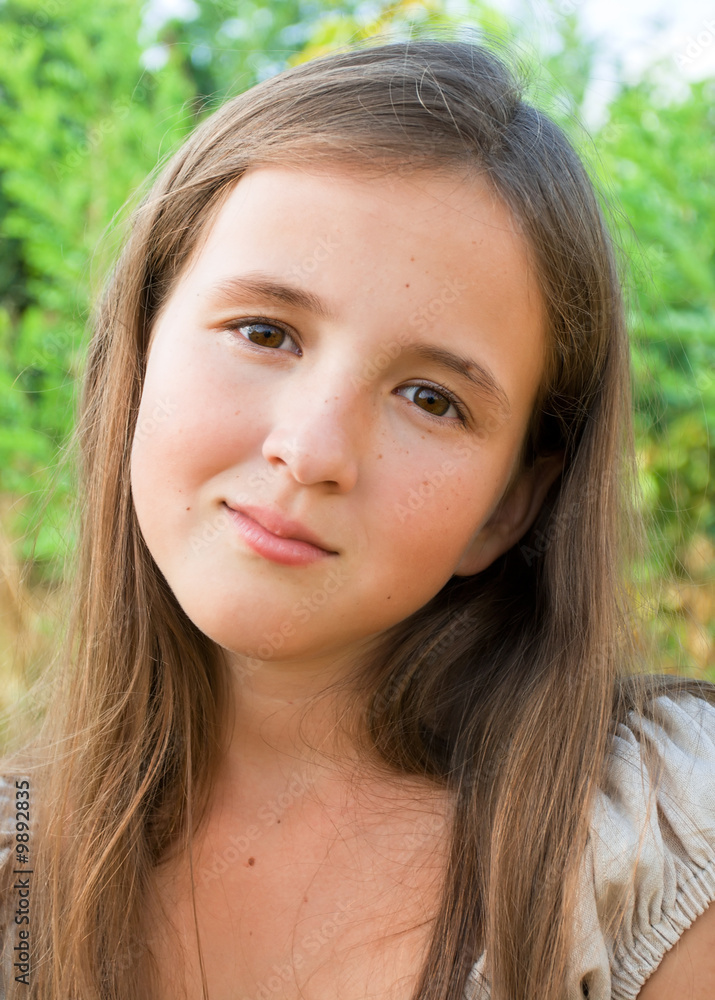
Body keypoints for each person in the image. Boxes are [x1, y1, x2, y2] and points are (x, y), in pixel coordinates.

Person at [0, 35, 714, 1000]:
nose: (313, 450)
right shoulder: (19, 875)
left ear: (507, 507)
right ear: (137, 352)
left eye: (430, 399)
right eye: (265, 332)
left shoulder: (657, 848)